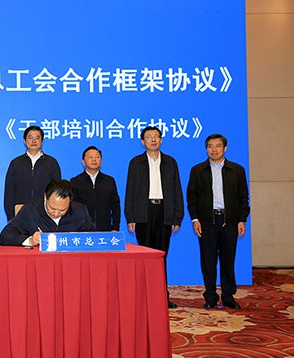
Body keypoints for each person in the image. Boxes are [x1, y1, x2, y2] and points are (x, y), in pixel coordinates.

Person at [186, 134, 250, 310]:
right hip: (207, 222)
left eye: (218, 146)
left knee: (228, 260)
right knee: (208, 261)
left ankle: (228, 296)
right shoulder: (197, 170)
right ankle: (210, 296)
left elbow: (243, 197)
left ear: (225, 148)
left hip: (230, 221)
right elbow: (192, 197)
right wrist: (195, 219)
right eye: (210, 146)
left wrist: (242, 220)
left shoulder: (237, 170)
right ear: (206, 149)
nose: (214, 150)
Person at [125, 126, 184, 309]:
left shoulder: (170, 162)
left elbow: (177, 190)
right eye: (149, 137)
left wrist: (177, 217)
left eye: (156, 136)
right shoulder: (136, 162)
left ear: (161, 140)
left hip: (164, 212)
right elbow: (130, 191)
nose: (153, 139)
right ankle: (144, 297)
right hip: (143, 213)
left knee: (161, 256)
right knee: (145, 257)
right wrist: (130, 217)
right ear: (143, 141)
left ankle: (161, 296)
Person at [0, 180, 95, 246]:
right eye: (52, 208)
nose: (56, 213)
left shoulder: (79, 211)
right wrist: (30, 240)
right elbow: (5, 236)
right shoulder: (30, 211)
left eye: (62, 210)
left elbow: (94, 236)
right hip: (40, 261)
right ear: (45, 197)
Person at [4, 125, 61, 220]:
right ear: (24, 141)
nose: (34, 141)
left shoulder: (51, 162)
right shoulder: (16, 163)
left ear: (42, 141)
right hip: (21, 211)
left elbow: (57, 190)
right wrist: (10, 216)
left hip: (45, 211)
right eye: (30, 138)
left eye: (37, 138)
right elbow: (9, 192)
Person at [69, 145, 121, 231]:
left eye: (97, 157)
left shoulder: (109, 181)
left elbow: (115, 205)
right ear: (83, 162)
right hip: (82, 229)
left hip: (105, 228)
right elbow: (72, 207)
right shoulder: (76, 181)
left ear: (101, 161)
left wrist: (115, 227)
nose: (94, 160)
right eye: (90, 157)